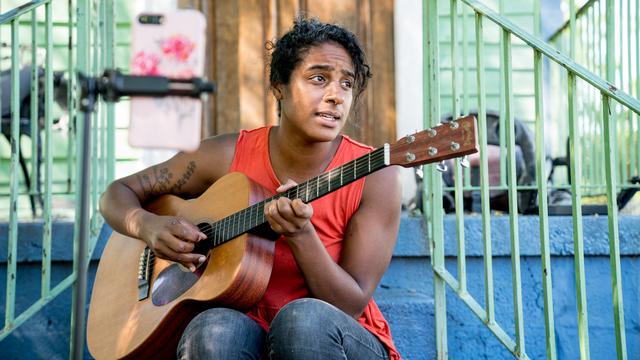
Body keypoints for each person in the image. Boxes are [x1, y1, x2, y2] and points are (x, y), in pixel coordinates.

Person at [99, 16, 402, 360]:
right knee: (211, 330)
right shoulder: (226, 155)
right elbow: (116, 194)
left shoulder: (376, 175)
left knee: (301, 321)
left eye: (346, 84)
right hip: (248, 326)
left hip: (336, 338)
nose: (336, 96)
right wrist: (150, 227)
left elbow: (349, 304)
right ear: (279, 86)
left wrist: (302, 236)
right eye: (319, 79)